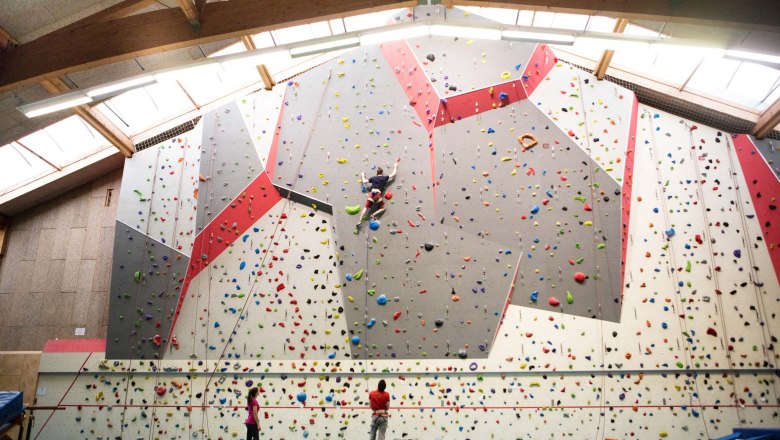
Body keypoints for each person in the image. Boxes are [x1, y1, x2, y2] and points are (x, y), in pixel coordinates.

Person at [356, 159, 399, 229]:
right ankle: (373, 215)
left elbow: (364, 181)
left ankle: (359, 221)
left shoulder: (373, 178)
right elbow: (393, 174)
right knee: (383, 208)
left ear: (377, 173)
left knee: (365, 208)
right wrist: (395, 166)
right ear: (382, 173)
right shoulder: (384, 178)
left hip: (371, 194)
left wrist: (363, 175)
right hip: (378, 195)